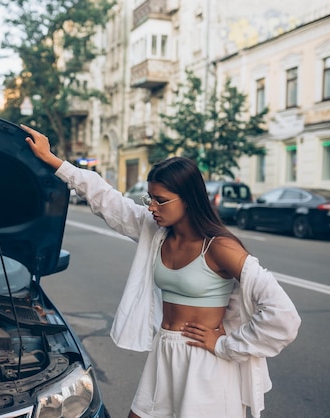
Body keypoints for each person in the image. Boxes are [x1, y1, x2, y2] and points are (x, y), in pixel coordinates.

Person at [22, 125, 301, 418]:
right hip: (165, 352)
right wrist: (54, 161)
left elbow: (283, 316)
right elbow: (107, 200)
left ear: (189, 198)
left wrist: (226, 345)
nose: (153, 207)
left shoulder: (220, 247)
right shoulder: (155, 232)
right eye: (150, 198)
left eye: (161, 200)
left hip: (206, 362)